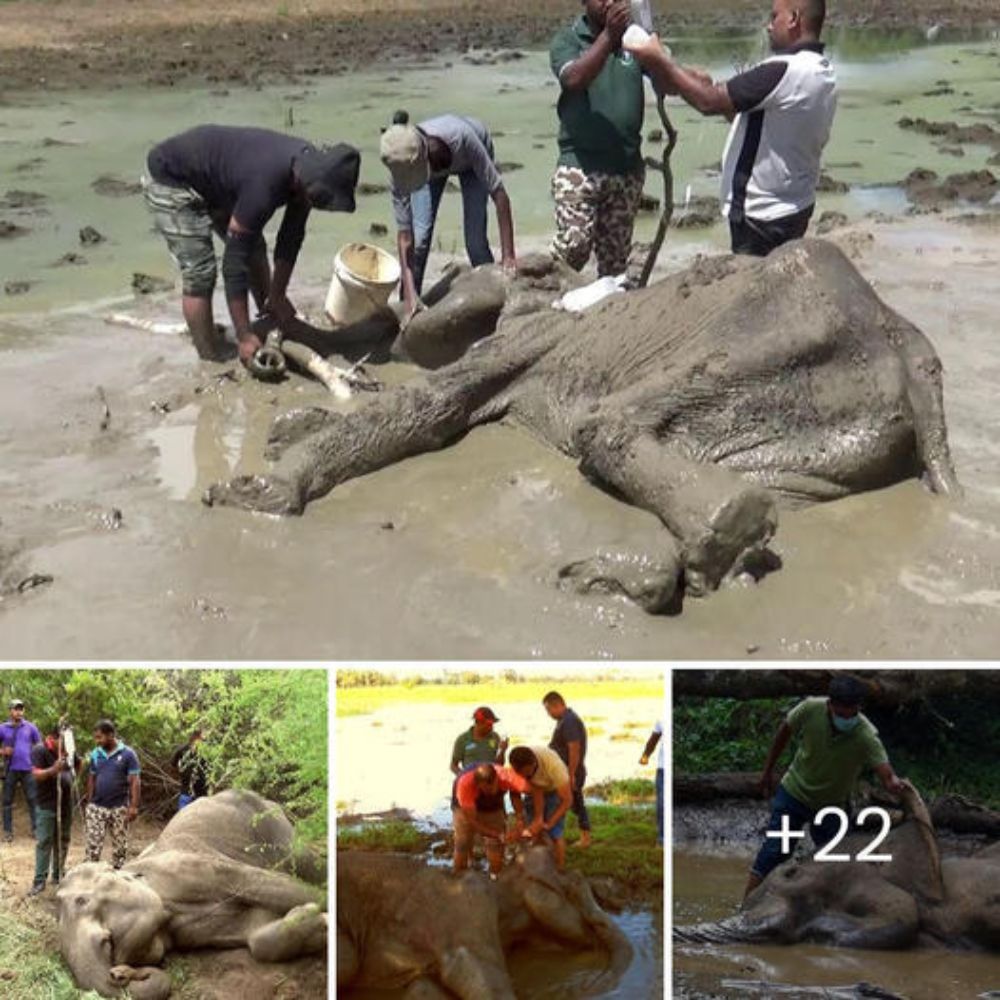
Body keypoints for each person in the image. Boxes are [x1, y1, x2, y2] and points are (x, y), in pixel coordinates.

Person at [625, 0, 837, 256]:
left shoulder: (783, 70)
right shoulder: (821, 70)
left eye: (774, 17)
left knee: (755, 289)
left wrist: (659, 59)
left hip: (760, 216)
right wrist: (695, 82)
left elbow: (708, 102)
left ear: (793, 19)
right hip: (795, 206)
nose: (768, 26)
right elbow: (751, 115)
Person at [143, 125, 361, 361]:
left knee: (254, 247)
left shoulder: (307, 173)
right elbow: (234, 261)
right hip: (173, 178)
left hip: (218, 183)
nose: (317, 203)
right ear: (305, 182)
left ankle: (267, 316)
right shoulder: (265, 183)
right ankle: (210, 357)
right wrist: (243, 334)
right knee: (201, 273)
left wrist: (277, 295)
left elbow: (291, 237)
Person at [744, 675, 906, 900]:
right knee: (774, 851)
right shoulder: (810, 709)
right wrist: (767, 772)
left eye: (852, 714)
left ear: (859, 708)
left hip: (832, 806)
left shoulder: (866, 735)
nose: (846, 719)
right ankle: (744, 907)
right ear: (830, 704)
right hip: (794, 794)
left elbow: (886, 774)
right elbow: (784, 731)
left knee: (837, 863)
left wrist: (895, 785)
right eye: (840, 714)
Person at [548, 0, 665, 277]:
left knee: (615, 263)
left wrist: (652, 42)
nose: (611, 2)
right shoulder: (567, 39)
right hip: (579, 166)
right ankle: (544, 298)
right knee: (573, 247)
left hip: (626, 169)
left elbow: (666, 83)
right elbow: (573, 79)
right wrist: (609, 37)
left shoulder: (633, 38)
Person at [379, 112, 517, 317]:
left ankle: (496, 299)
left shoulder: (464, 138)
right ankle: (408, 304)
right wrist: (408, 293)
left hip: (470, 159)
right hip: (425, 162)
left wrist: (508, 257)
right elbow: (406, 237)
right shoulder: (402, 164)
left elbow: (500, 195)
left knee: (475, 241)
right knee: (420, 241)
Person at [29, 725, 82, 896]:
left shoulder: (69, 750)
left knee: (63, 839)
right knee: (44, 841)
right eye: (64, 740)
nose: (68, 743)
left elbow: (78, 764)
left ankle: (58, 874)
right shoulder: (40, 750)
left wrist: (72, 778)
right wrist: (54, 770)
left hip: (66, 803)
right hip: (47, 804)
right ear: (54, 738)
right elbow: (36, 775)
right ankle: (39, 880)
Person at [452, 762, 530, 878]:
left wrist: (519, 819)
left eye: (492, 787)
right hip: (464, 806)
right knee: (463, 843)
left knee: (495, 844)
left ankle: (496, 875)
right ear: (478, 785)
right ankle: (458, 874)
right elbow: (473, 822)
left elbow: (518, 792)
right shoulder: (465, 786)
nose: (490, 791)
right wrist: (497, 834)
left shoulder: (507, 776)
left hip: (493, 805)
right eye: (486, 789)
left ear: (497, 780)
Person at [84, 720, 141, 870]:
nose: (97, 741)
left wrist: (134, 806)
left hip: (119, 807)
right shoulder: (96, 754)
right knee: (93, 846)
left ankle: (118, 878)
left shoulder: (128, 754)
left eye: (99, 737)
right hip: (97, 807)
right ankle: (90, 879)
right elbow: (92, 778)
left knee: (120, 847)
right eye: (95, 737)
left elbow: (135, 781)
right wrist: (90, 801)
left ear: (110, 735)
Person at [509, 745, 573, 870]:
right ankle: (539, 863)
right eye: (522, 775)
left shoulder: (555, 768)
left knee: (555, 833)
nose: (525, 776)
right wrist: (520, 817)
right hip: (534, 792)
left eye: (527, 773)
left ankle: (560, 868)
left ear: (533, 764)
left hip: (553, 790)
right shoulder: (515, 767)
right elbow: (514, 792)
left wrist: (549, 823)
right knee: (533, 830)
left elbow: (567, 801)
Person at [543, 691, 591, 848]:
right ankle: (561, 834)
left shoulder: (569, 721)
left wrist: (571, 775)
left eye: (548, 710)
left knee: (576, 802)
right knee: (573, 803)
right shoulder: (564, 720)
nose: (548, 714)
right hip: (564, 771)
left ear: (558, 705)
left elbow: (574, 748)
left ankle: (585, 838)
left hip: (570, 771)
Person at [0, 699, 41, 843]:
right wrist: (3, 751)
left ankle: (36, 830)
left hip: (28, 769)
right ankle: (8, 832)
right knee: (7, 801)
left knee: (33, 799)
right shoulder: (3, 728)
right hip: (10, 769)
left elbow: (39, 747)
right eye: (16, 709)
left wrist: (37, 765)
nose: (19, 711)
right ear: (10, 711)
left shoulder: (31, 727)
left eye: (21, 709)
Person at [450, 707, 508, 776]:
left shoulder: (495, 737)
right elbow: (453, 765)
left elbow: (499, 765)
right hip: (470, 779)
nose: (491, 727)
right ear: (478, 722)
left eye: (492, 725)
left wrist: (502, 751)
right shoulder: (463, 739)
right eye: (488, 725)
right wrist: (462, 775)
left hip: (490, 780)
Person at [171, 729, 209, 810]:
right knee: (183, 816)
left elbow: (209, 768)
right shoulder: (182, 750)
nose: (203, 741)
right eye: (202, 739)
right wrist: (182, 773)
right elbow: (173, 764)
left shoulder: (206, 752)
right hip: (186, 791)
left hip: (201, 792)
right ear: (195, 737)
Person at [640, 718, 664, 846]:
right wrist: (645, 755)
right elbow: (654, 739)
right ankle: (662, 839)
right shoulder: (662, 719)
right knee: (661, 804)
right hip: (662, 768)